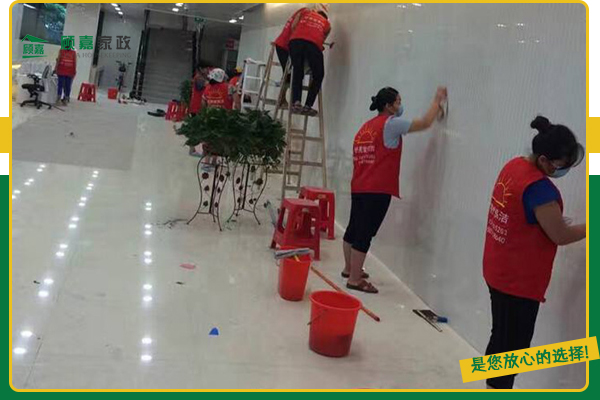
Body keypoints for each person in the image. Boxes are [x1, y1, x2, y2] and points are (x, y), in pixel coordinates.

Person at [482, 116, 585, 390]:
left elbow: (522, 214)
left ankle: (493, 386)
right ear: (544, 160)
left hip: (498, 268)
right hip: (516, 281)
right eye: (561, 165)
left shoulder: (514, 166)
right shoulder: (539, 189)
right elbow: (560, 236)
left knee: (501, 336)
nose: (564, 170)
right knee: (513, 347)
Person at [342, 86, 448, 293]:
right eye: (398, 102)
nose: (400, 106)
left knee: (353, 228)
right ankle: (355, 279)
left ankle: (349, 269)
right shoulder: (390, 124)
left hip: (359, 185)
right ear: (388, 106)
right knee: (364, 233)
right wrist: (437, 101)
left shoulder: (366, 127)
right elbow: (424, 123)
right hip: (377, 189)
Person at [288, 3, 331, 116]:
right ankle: (308, 106)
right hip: (312, 44)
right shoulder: (326, 23)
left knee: (298, 71)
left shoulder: (306, 13)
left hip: (295, 42)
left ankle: (296, 103)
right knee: (318, 75)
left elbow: (293, 27)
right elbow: (322, 39)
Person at [273, 6, 309, 107]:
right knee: (289, 73)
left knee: (288, 73)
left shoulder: (303, 11)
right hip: (284, 45)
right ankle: (282, 98)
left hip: (284, 44)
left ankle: (282, 98)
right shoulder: (306, 12)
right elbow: (294, 27)